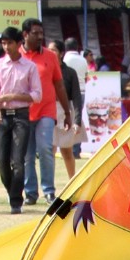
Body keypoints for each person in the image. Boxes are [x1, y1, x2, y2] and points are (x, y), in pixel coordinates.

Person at [0, 26, 42, 211]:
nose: (6, 46)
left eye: (10, 43)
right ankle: (13, 192)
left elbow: (36, 95)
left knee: (18, 161)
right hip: (2, 116)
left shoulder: (30, 67)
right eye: (3, 43)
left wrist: (12, 97)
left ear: (19, 44)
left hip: (21, 116)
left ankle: (15, 201)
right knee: (1, 161)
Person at [20, 17, 72, 204]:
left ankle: (49, 191)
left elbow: (59, 85)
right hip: (23, 112)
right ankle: (30, 193)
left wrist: (67, 112)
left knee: (45, 149)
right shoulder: (17, 56)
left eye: (42, 33)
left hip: (46, 110)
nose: (40, 37)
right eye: (36, 33)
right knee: (27, 154)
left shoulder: (50, 56)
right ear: (25, 35)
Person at [49, 38, 84, 179]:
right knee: (49, 150)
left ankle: (72, 182)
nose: (50, 53)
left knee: (67, 151)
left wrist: (77, 121)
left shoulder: (70, 72)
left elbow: (76, 97)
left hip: (65, 113)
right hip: (48, 112)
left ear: (61, 53)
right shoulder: (46, 70)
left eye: (53, 50)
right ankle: (49, 187)